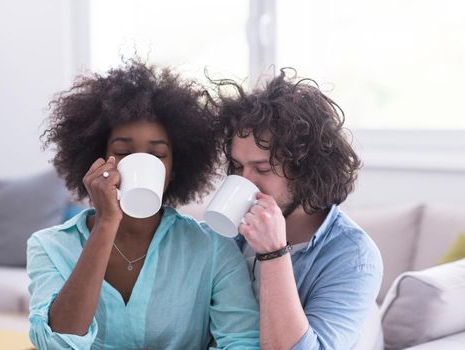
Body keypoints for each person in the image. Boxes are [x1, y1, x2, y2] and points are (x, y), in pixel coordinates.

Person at [27, 59, 260, 350]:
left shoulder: (212, 248)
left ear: (174, 169)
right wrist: (106, 224)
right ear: (97, 163)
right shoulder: (49, 246)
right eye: (123, 152)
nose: (142, 163)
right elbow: (57, 342)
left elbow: (242, 343)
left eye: (158, 155)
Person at [211, 69, 383, 349]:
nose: (245, 182)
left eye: (262, 168)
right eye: (238, 167)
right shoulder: (225, 235)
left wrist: (274, 253)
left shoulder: (353, 257)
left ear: (306, 169)